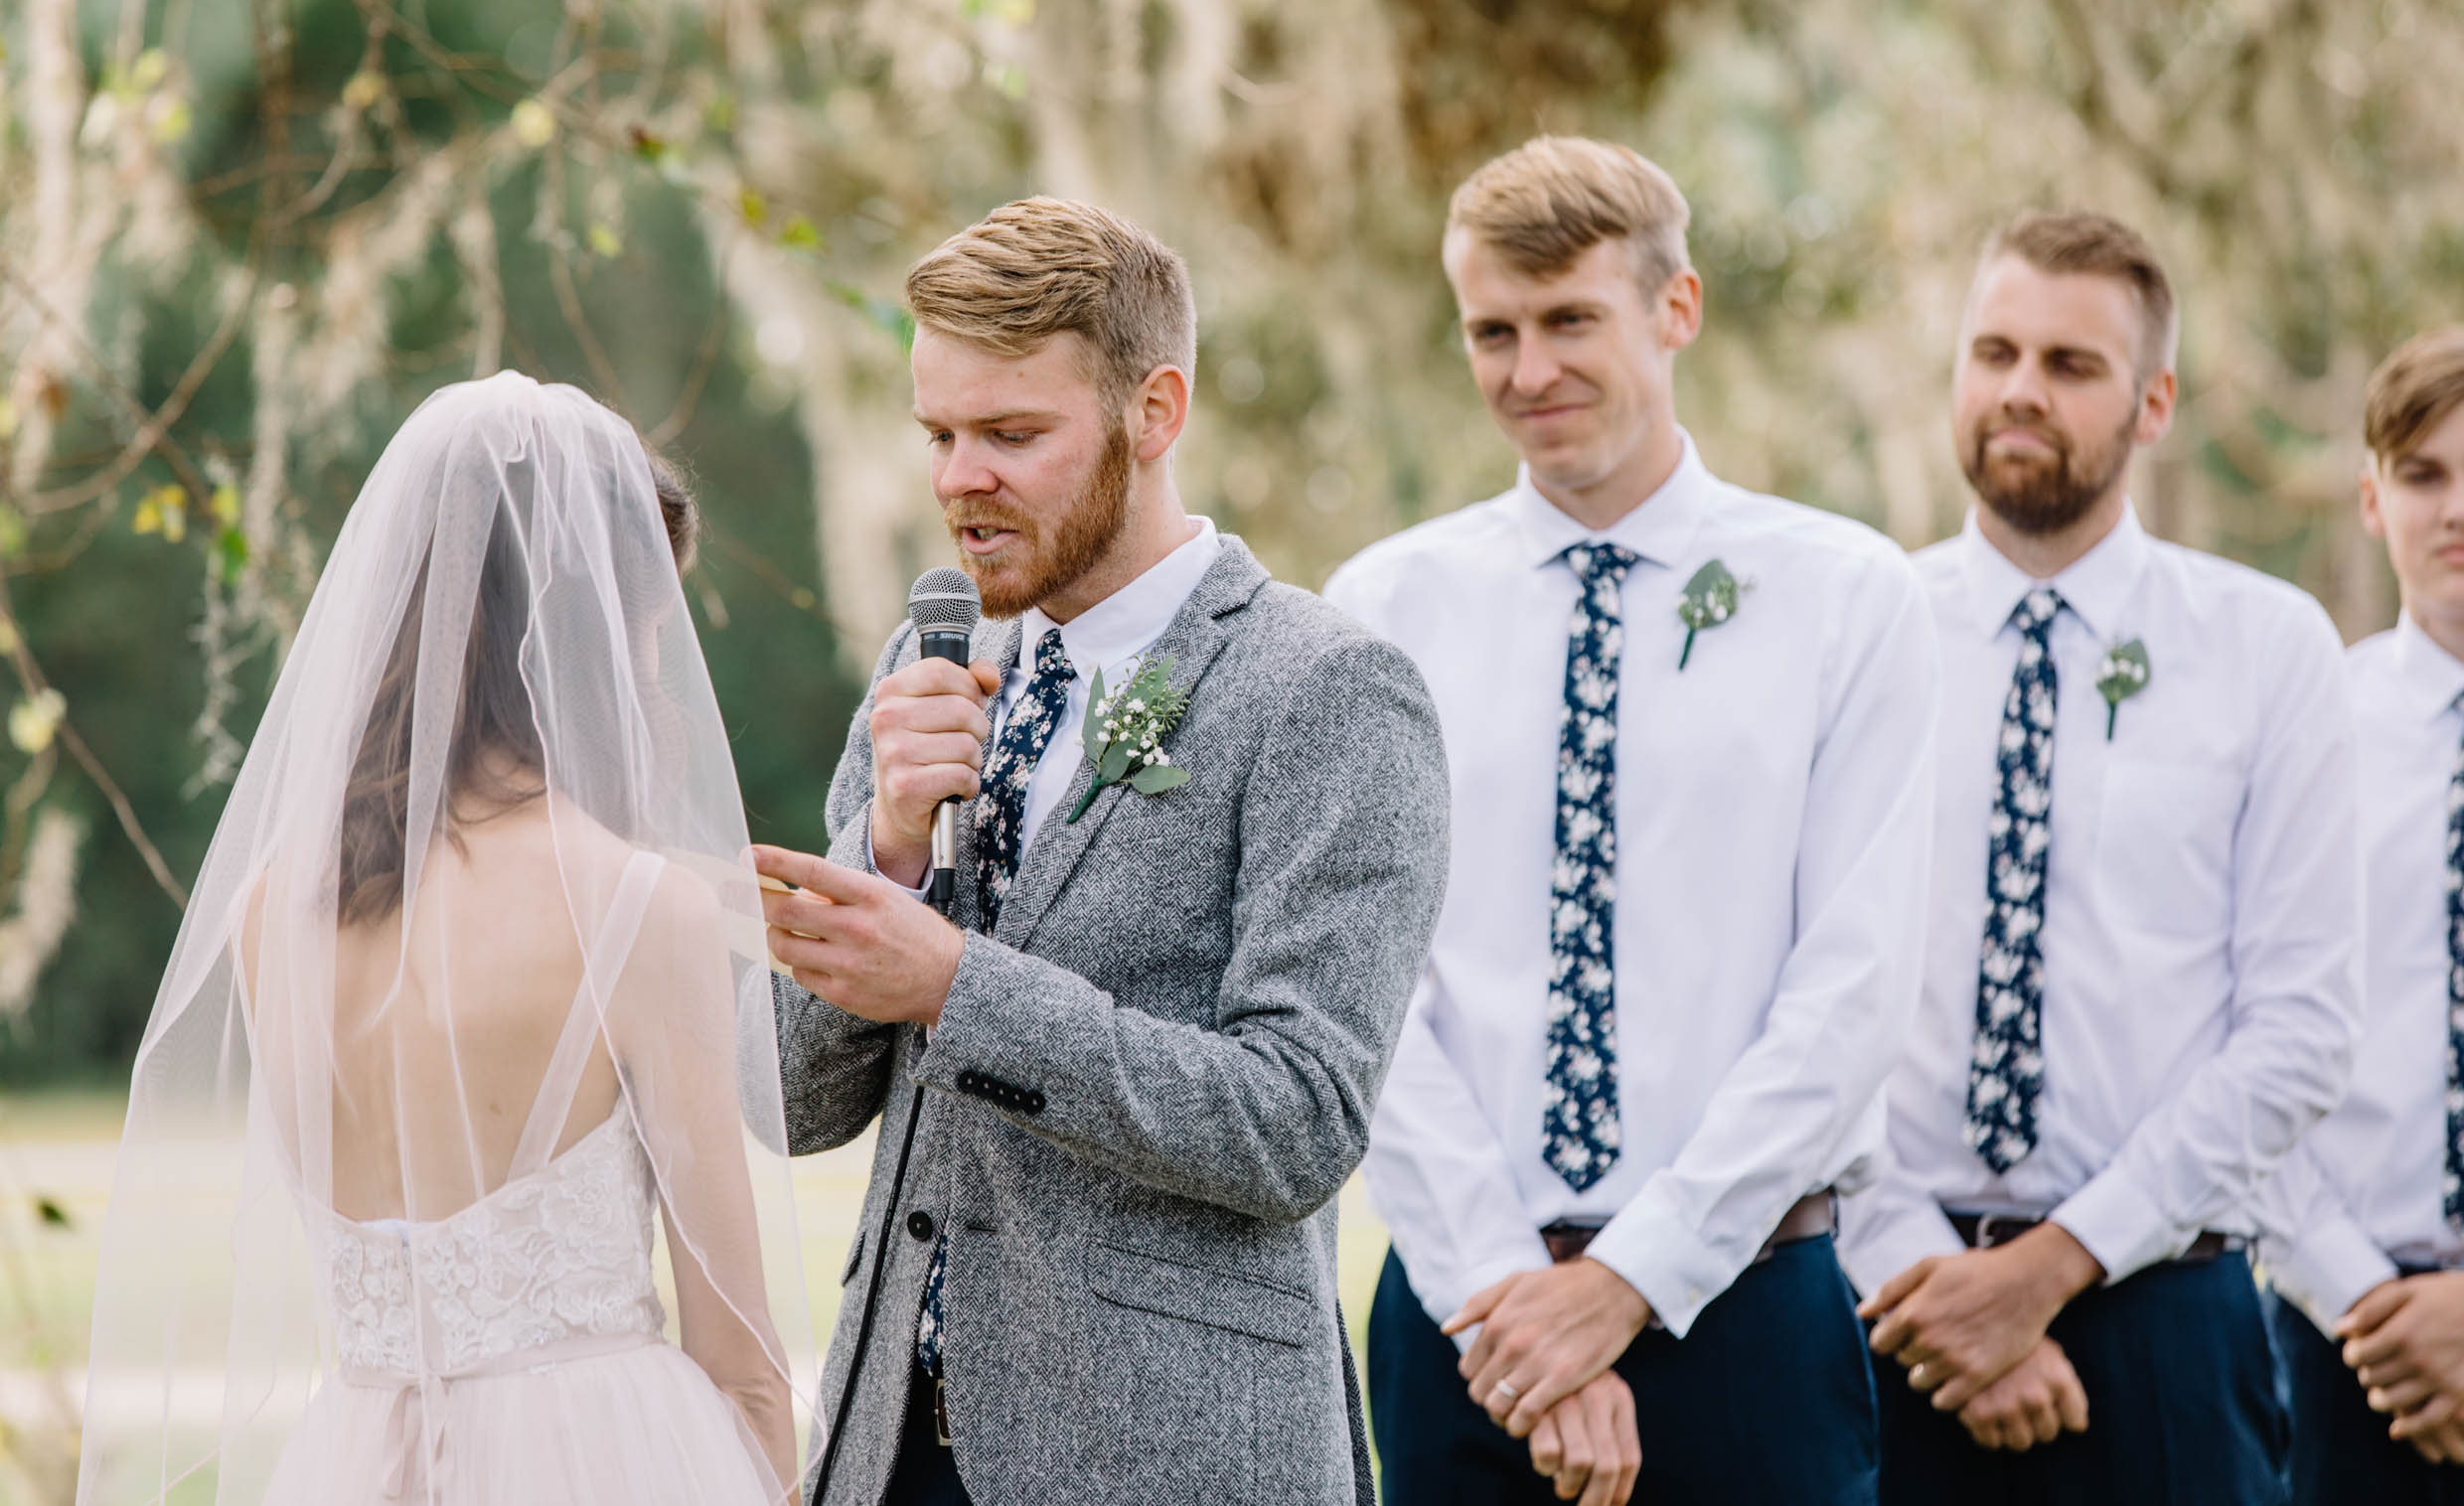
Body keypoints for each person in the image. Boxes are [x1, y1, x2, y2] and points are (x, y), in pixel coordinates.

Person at [754, 196, 1451, 1506]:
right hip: (889, 1452)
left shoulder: (1328, 690)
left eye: (1013, 433)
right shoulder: (929, 661)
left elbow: (1297, 1121)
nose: (963, 475)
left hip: (1174, 1459)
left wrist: (958, 987)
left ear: (1157, 410)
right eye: (941, 433)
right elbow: (790, 1103)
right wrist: (889, 847)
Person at [1323, 135, 1939, 1506]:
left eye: (1569, 322)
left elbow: (1852, 993)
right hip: (1463, 1323)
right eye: (1494, 330)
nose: (1528, 372)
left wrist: (1629, 1282)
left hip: (1750, 1312)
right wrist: (1506, 1294)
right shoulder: (1381, 610)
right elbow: (1366, 994)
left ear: (1676, 311)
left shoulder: (1847, 596)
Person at [76, 374, 811, 1506]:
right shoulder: (634, 912)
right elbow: (744, 1366)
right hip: (602, 1461)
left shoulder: (274, 906)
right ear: (585, 641)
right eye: (652, 636)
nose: (659, 683)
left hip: (361, 1460)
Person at [1839, 212, 2361, 1505]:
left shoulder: (2267, 647)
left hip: (2163, 1313)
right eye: (1994, 350)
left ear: (2153, 400)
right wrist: (1927, 1277)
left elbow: (2299, 1029)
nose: (2021, 388)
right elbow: (1797, 992)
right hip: (1880, 1307)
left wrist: (2052, 1264)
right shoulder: (1853, 631)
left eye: (2071, 364)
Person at [2257, 325, 2464, 1502]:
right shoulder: (2307, 736)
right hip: (2341, 1339)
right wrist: (2366, 1306)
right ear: (2369, 500)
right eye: (2423, 475)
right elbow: (2238, 1042)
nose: (2454, 511)